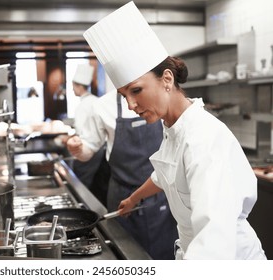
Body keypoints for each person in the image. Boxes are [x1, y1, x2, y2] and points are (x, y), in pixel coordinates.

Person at [83, 1, 267, 260]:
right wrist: (135, 198)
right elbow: (164, 174)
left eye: (136, 90)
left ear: (167, 79)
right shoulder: (173, 128)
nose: (131, 105)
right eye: (124, 95)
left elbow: (214, 243)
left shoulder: (204, 140)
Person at [67, 88, 178, 258]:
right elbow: (88, 149)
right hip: (122, 198)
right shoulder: (102, 106)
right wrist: (78, 148)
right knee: (125, 255)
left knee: (165, 256)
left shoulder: (162, 99)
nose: (132, 104)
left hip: (163, 196)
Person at [69, 64, 109, 203]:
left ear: (78, 86)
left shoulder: (82, 105)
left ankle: (81, 205)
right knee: (96, 185)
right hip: (101, 150)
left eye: (73, 85)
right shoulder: (97, 101)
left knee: (81, 185)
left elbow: (80, 132)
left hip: (88, 149)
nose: (72, 89)